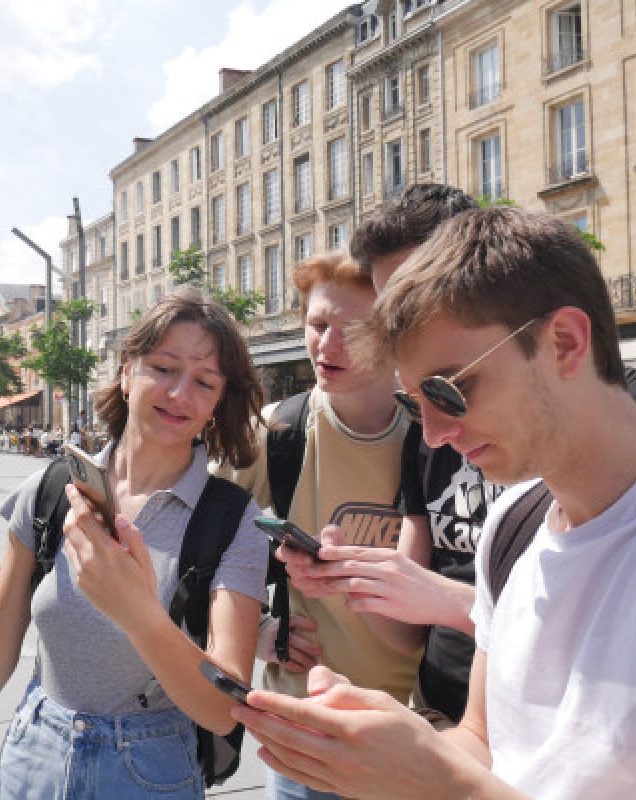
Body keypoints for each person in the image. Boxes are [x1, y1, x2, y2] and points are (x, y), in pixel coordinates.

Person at [235, 207, 636, 799]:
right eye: (415, 401)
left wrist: (441, 781)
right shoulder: (511, 530)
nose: (435, 433)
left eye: (449, 389)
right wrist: (380, 750)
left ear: (563, 342)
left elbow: (469, 780)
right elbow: (485, 743)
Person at [0, 288, 269, 800]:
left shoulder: (232, 520)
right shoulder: (50, 492)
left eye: (204, 382)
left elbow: (225, 709)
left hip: (151, 769)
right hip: (33, 755)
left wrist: (138, 612)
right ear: (125, 369)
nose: (180, 393)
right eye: (163, 367)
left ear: (218, 403)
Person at [214, 252, 420, 800]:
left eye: (353, 329)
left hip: (416, 730)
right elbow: (196, 550)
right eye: (318, 324)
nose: (328, 345)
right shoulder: (277, 433)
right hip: (306, 731)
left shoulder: (436, 438)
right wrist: (255, 636)